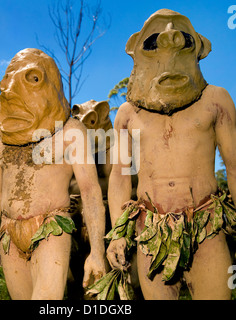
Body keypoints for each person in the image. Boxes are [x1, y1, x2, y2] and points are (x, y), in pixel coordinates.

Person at [106, 9, 236, 300]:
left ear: (197, 46)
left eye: (180, 35)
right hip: (151, 231)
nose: (168, 36)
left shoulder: (215, 99)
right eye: (154, 40)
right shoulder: (128, 113)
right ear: (137, 49)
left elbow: (234, 165)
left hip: (206, 228)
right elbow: (119, 174)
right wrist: (117, 232)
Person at [0, 48, 107, 300]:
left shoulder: (70, 131)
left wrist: (96, 251)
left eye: (32, 78)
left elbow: (90, 190)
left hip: (51, 228)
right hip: (10, 233)